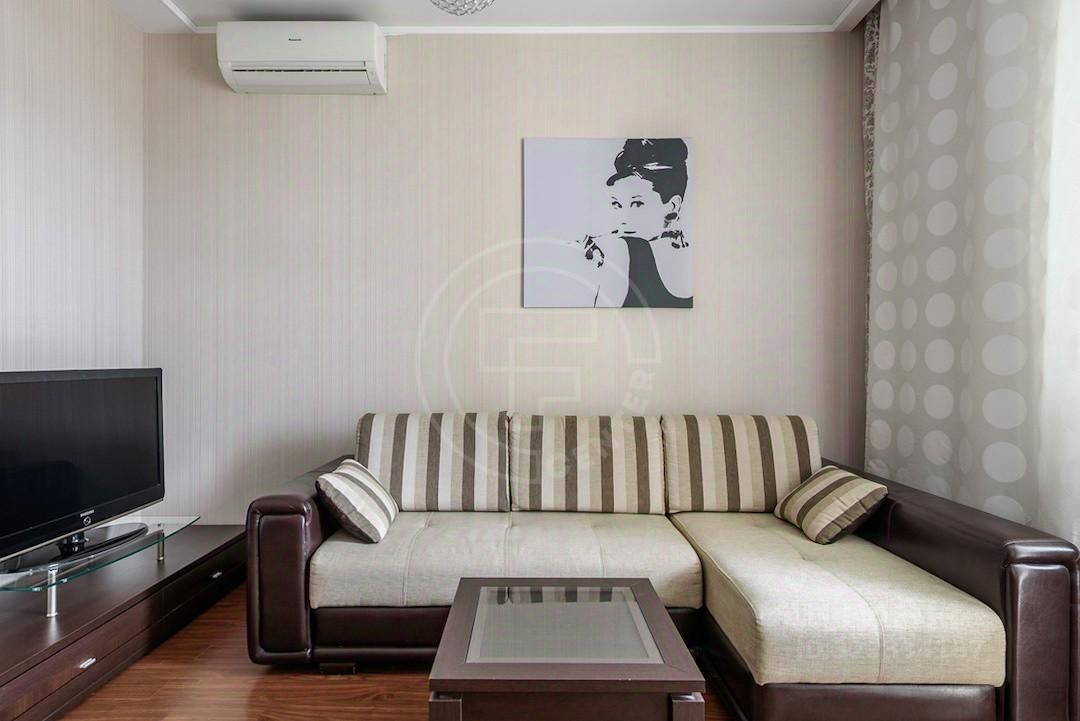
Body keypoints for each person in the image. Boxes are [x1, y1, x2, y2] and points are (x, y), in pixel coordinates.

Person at [581, 139, 692, 308]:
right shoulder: (691, 258)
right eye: (617, 204)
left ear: (672, 206)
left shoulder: (620, 251)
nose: (624, 219)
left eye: (638, 204)